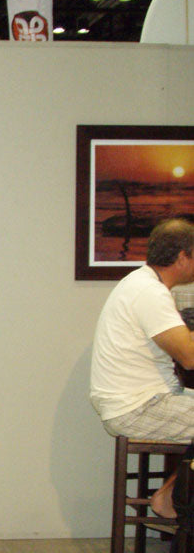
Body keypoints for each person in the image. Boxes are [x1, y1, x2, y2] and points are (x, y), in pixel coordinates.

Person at [90, 217, 194, 517]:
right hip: (137, 407)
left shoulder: (140, 282)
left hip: (139, 400)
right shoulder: (150, 292)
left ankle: (174, 491)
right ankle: (171, 496)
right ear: (182, 257)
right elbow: (189, 357)